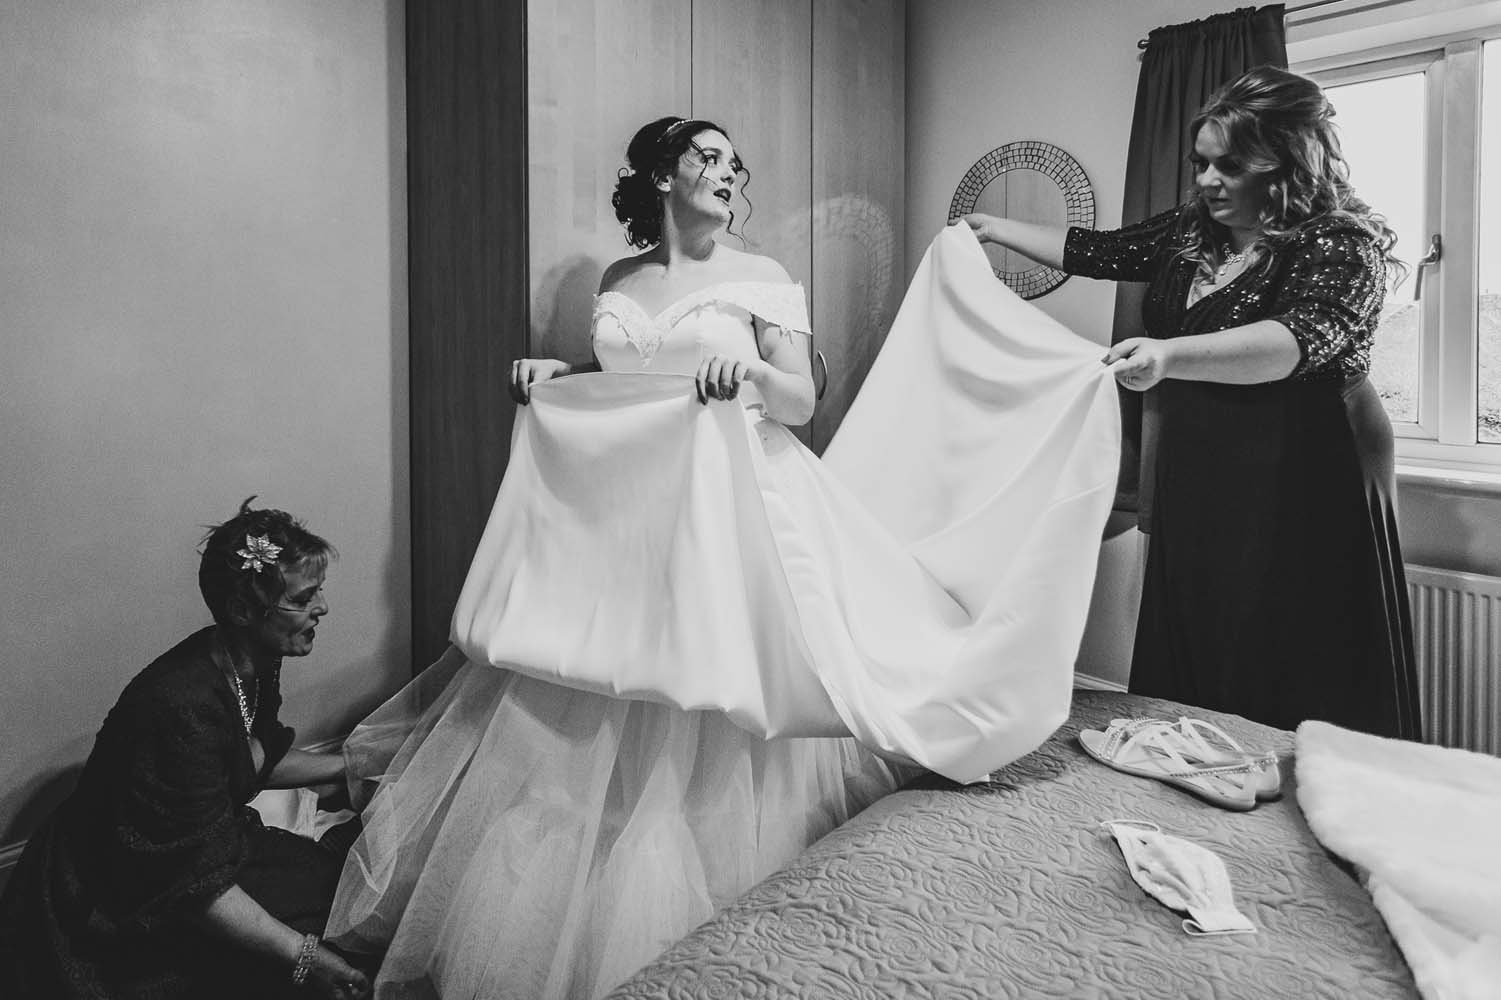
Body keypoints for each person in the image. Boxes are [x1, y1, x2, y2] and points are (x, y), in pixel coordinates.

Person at [325, 117, 1121, 998]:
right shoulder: (620, 278)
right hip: (639, 517)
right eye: (707, 156)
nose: (727, 173)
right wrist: (559, 374)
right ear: (660, 173)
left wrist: (746, 378)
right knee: (610, 684)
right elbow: (631, 384)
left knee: (721, 677)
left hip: (742, 499)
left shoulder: (762, 278)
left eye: (734, 164)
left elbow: (800, 402)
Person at [962, 66, 1421, 739]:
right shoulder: (1192, 230)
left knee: (1285, 625)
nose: (1207, 181)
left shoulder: (1341, 241)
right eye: (1201, 163)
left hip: (1309, 456)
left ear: (1289, 162)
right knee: (1204, 611)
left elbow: (1292, 342)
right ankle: (1196, 754)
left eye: (1229, 165)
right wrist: (992, 228)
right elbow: (1100, 250)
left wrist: (1168, 355)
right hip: (1203, 449)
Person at [0, 499, 371, 1000]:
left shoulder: (253, 658)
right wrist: (306, 957)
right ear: (243, 610)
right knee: (278, 963)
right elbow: (191, 885)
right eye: (303, 599)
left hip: (199, 840)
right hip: (122, 882)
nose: (321, 607)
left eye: (318, 592)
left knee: (340, 891)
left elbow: (254, 756)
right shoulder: (180, 706)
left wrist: (354, 763)